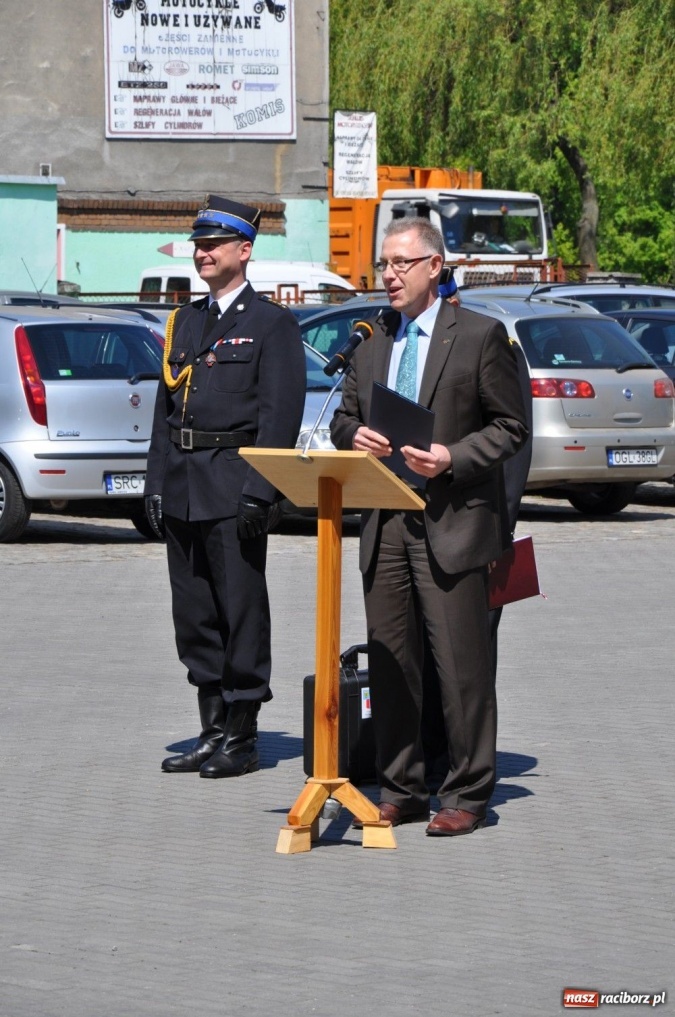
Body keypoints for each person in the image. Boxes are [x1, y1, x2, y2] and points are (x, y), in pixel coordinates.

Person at [329, 217, 528, 835]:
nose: (388, 276)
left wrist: (452, 457)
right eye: (383, 265)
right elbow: (343, 418)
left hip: (451, 522)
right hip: (384, 522)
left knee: (461, 668)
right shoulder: (372, 341)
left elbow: (510, 427)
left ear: (434, 267)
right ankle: (402, 787)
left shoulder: (480, 336)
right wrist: (352, 436)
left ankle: (467, 793)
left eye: (400, 263)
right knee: (392, 664)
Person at [144, 194, 306, 778]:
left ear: (245, 250)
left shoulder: (271, 324)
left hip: (234, 487)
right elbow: (165, 414)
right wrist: (155, 484)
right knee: (194, 615)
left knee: (240, 611)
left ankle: (242, 735)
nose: (202, 253)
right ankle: (211, 730)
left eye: (213, 244)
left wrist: (261, 492)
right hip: (184, 486)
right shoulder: (186, 322)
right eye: (198, 244)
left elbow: (279, 418)